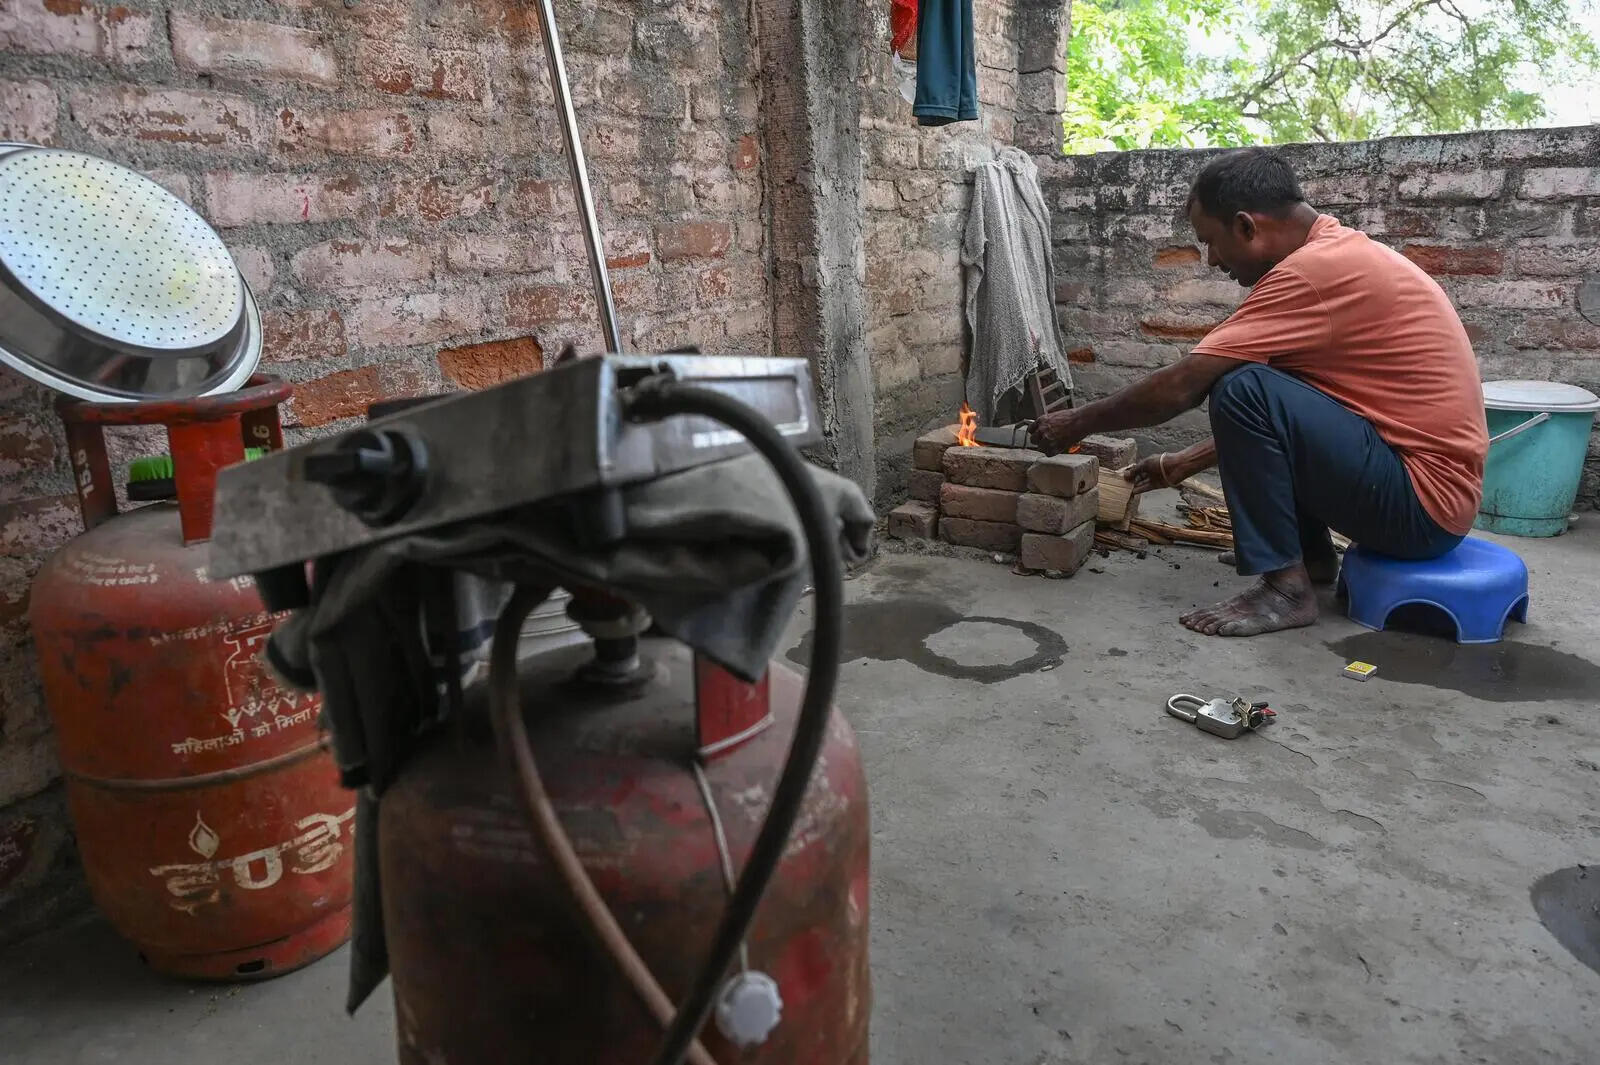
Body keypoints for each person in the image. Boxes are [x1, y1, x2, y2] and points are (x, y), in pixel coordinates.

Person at [1034, 147, 1488, 637]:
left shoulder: (1311, 273)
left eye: (1211, 241)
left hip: (1420, 509)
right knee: (1255, 381)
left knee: (1240, 385)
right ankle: (1310, 560)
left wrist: (1075, 423)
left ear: (1248, 227)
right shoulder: (1336, 251)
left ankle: (1285, 592)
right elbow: (1295, 417)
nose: (1211, 260)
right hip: (1424, 497)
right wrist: (1182, 462)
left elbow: (1185, 386)